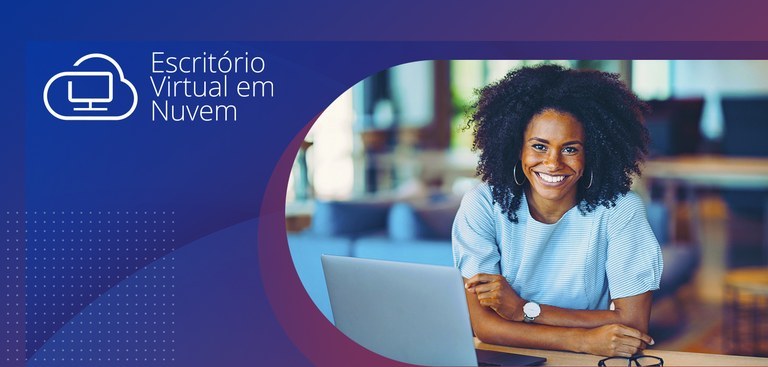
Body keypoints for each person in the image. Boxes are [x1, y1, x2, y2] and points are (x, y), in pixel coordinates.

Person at [452, 64, 663, 357]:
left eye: (570, 149)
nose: (553, 163)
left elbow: (632, 322)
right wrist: (584, 340)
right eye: (539, 146)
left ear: (592, 153)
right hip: (514, 358)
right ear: (517, 147)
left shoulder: (620, 210)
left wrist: (522, 311)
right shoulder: (482, 205)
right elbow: (486, 327)